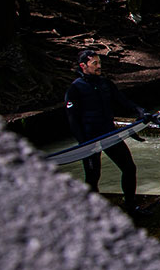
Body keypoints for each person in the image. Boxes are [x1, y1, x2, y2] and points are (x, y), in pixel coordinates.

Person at [65, 50, 151, 215]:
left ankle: (131, 206)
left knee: (129, 168)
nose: (99, 66)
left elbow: (123, 101)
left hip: (110, 135)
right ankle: (91, 214)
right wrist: (83, 144)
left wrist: (141, 111)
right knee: (93, 176)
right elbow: (72, 120)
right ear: (83, 66)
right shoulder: (75, 89)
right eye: (94, 64)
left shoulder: (105, 83)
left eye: (99, 63)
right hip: (90, 139)